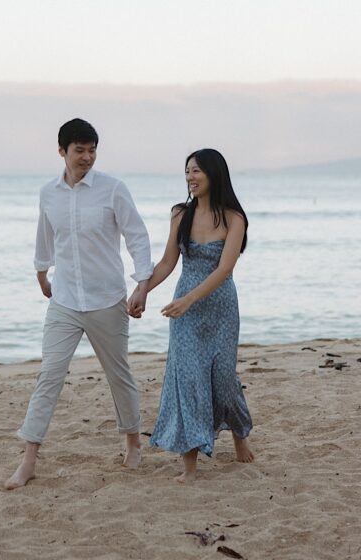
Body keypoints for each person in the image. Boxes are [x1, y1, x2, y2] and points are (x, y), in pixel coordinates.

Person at [5, 118, 153, 489]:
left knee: (118, 375)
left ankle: (133, 442)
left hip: (107, 300)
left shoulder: (113, 190)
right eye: (79, 150)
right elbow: (45, 236)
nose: (87, 157)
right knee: (49, 375)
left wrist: (143, 284)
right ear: (62, 152)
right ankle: (29, 460)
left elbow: (137, 236)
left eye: (92, 150)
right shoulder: (48, 193)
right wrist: (42, 273)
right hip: (65, 301)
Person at [128, 148, 253, 483]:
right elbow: (169, 262)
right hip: (184, 313)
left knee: (224, 380)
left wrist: (189, 299)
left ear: (214, 174)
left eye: (196, 171)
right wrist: (143, 290)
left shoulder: (233, 218)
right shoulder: (180, 213)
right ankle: (190, 467)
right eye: (187, 172)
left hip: (220, 308)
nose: (190, 178)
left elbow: (225, 269)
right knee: (189, 382)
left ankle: (240, 433)